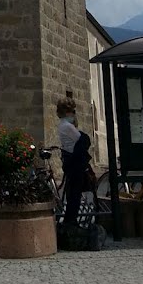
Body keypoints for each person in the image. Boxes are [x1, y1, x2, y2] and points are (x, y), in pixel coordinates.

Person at [56, 97, 92, 228]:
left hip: (69, 161)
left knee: (73, 192)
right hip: (75, 163)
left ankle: (70, 219)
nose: (74, 114)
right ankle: (71, 220)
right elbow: (82, 139)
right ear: (68, 112)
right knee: (75, 194)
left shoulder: (63, 125)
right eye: (73, 111)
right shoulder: (67, 126)